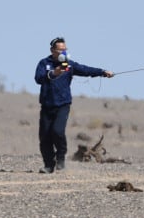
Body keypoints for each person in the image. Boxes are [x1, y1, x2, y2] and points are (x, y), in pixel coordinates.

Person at [34, 36, 113, 173]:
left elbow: (85, 69)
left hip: (63, 105)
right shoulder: (44, 63)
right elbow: (38, 79)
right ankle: (48, 165)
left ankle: (60, 158)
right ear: (52, 50)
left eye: (65, 50)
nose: (63, 53)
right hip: (47, 105)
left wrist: (102, 72)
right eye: (60, 50)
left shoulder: (69, 65)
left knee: (57, 132)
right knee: (45, 137)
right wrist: (53, 73)